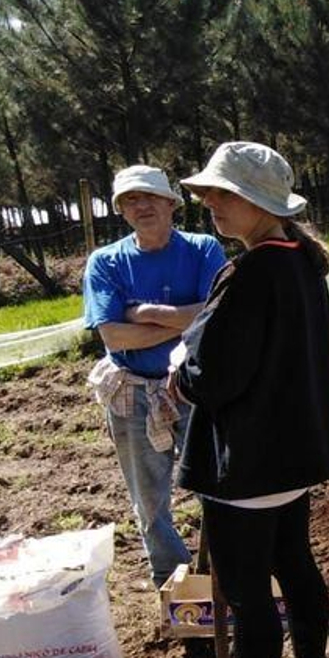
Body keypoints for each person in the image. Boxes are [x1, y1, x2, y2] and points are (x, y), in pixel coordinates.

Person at [173, 142, 329, 658]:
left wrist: (180, 377)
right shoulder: (301, 260)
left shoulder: (250, 275)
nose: (212, 204)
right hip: (290, 453)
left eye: (225, 194)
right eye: (210, 194)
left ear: (260, 203)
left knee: (248, 599)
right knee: (296, 568)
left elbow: (215, 377)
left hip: (244, 464)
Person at [82, 167, 227, 587]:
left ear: (170, 203)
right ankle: (171, 577)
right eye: (130, 200)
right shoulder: (106, 262)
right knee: (149, 498)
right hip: (132, 390)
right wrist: (187, 318)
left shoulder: (203, 249)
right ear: (121, 211)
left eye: (149, 197)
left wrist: (145, 313)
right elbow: (111, 333)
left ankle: (229, 565)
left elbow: (215, 315)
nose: (141, 206)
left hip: (195, 385)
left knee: (217, 483)